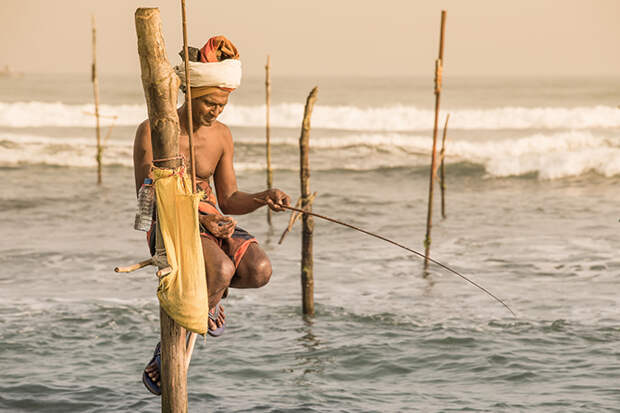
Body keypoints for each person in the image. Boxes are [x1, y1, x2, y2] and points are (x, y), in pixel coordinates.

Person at [133, 36, 291, 395]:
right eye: (210, 103)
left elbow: (230, 199)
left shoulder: (221, 136)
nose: (216, 111)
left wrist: (265, 197)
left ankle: (210, 297)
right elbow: (147, 197)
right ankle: (169, 346)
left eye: (222, 104)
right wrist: (199, 218)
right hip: (170, 223)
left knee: (260, 270)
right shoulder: (153, 132)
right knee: (220, 268)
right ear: (191, 93)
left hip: (211, 221)